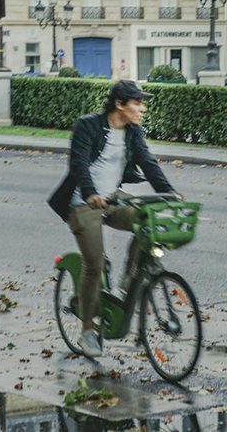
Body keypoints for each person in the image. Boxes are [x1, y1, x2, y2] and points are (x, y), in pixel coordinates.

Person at [48, 80, 179, 358]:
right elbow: (79, 164)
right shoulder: (88, 126)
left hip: (114, 198)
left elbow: (147, 162)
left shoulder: (133, 132)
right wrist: (90, 193)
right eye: (137, 103)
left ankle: (127, 281)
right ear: (120, 105)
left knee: (148, 222)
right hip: (83, 202)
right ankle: (87, 330)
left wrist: (168, 192)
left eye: (142, 104)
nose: (143, 109)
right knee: (94, 265)